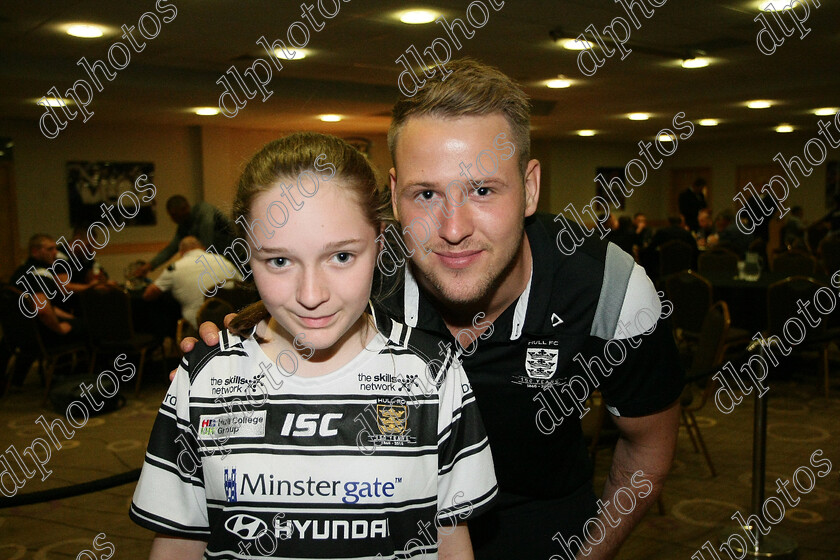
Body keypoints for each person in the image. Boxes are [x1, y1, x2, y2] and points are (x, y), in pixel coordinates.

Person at [187, 59, 683, 559]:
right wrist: (224, 359)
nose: (451, 228)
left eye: (483, 190)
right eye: (426, 193)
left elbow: (648, 448)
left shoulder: (606, 290)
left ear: (530, 187)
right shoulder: (358, 284)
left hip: (549, 529)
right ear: (396, 197)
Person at [131, 133, 498, 559]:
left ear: (379, 245)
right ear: (247, 256)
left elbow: (451, 542)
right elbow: (179, 542)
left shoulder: (434, 373)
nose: (310, 294)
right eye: (279, 261)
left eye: (341, 256)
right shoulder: (203, 377)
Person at [5, 234, 87, 389]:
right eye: (50, 249)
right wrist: (60, 328)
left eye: (55, 248)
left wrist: (69, 318)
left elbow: (46, 306)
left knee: (76, 321)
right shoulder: (39, 275)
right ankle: (74, 380)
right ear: (35, 252)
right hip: (42, 335)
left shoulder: (21, 272)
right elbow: (42, 310)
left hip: (21, 335)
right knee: (88, 327)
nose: (55, 252)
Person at [143, 236, 242, 330]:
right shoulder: (222, 260)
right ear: (203, 248)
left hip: (197, 327)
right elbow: (244, 286)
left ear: (181, 253)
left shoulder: (174, 268)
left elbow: (148, 294)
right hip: (233, 323)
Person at [134, 195, 235, 277]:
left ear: (185, 208)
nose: (172, 219)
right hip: (222, 261)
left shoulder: (203, 211)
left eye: (174, 215)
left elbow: (206, 240)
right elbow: (171, 249)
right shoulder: (184, 224)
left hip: (237, 257)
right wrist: (148, 266)